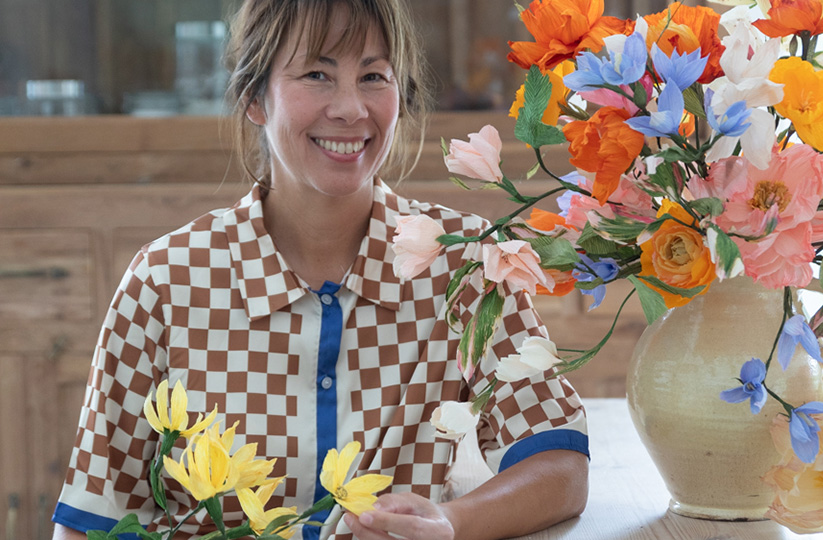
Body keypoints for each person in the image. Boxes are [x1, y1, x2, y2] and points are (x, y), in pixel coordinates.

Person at [51, 0, 589, 538]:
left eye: (374, 76)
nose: (352, 108)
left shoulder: (464, 262)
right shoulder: (165, 280)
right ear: (254, 99)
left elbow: (560, 466)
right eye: (316, 74)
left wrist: (449, 521)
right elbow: (91, 519)